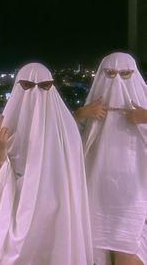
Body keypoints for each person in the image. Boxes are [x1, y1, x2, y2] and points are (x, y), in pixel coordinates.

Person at [0, 62, 93, 265]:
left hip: (57, 221)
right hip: (14, 219)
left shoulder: (68, 132)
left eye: (44, 86)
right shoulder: (7, 130)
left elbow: (74, 186)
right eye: (28, 86)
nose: (35, 93)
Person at [82, 52, 147, 265]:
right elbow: (61, 141)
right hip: (96, 197)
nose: (117, 81)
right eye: (110, 74)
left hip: (134, 199)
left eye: (126, 74)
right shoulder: (90, 111)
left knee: (127, 252)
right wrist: (82, 113)